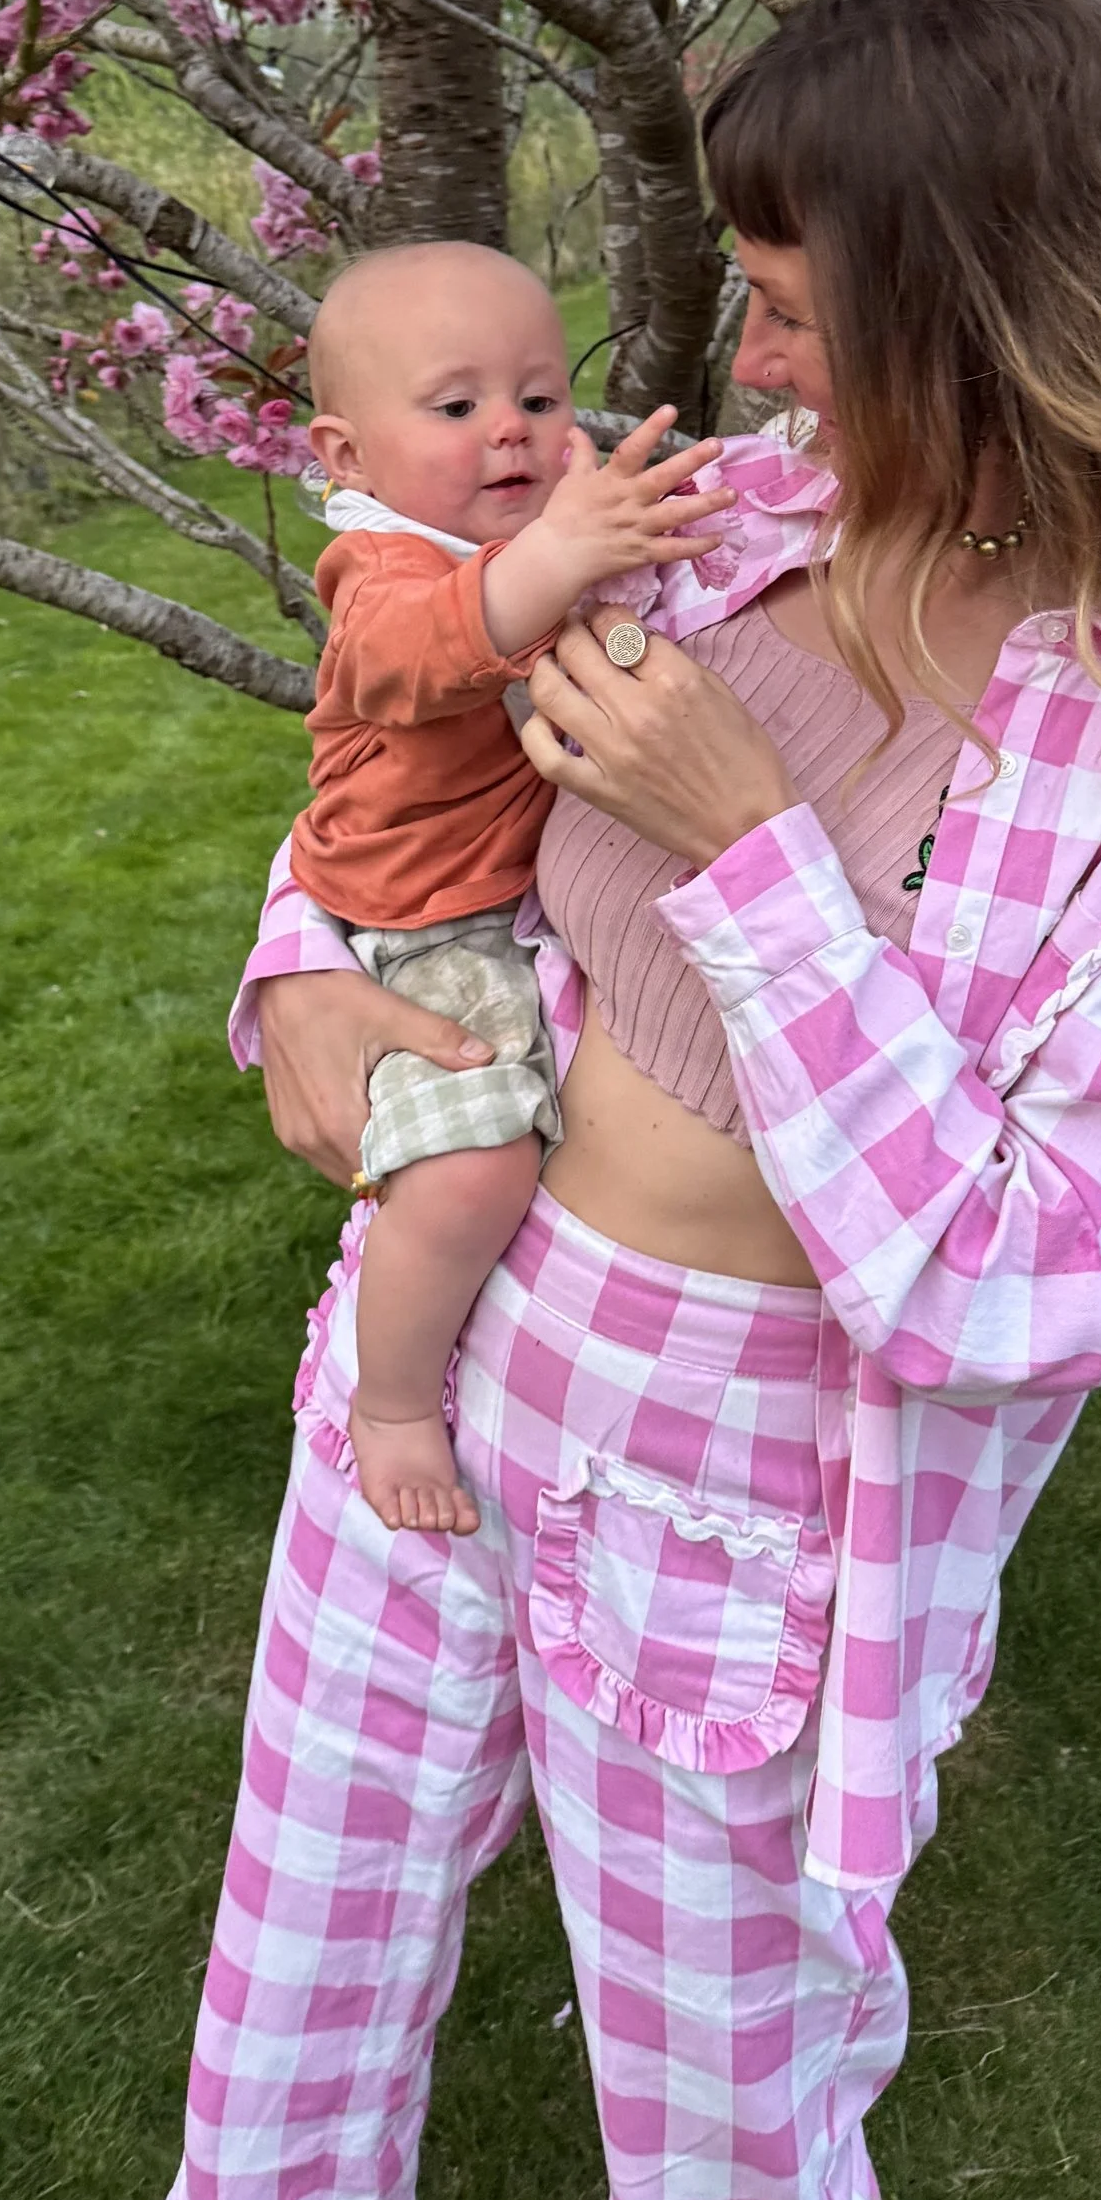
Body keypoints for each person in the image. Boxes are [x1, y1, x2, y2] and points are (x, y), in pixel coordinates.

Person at [168, 0, 1101, 2200]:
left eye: (796, 315)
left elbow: (1030, 1290)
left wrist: (750, 855)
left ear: (990, 312)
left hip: (746, 1508)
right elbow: (399, 772)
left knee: (725, 2121)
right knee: (291, 1995)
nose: (744, 367)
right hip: (436, 1368)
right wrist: (305, 974)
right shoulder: (725, 528)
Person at [293, 242, 730, 1532]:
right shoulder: (381, 572)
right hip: (424, 922)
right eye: (456, 406)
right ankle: (392, 1400)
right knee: (474, 1165)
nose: (512, 434)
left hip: (514, 897)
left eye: (540, 401)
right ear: (346, 459)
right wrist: (571, 548)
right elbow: (431, 654)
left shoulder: (515, 540)